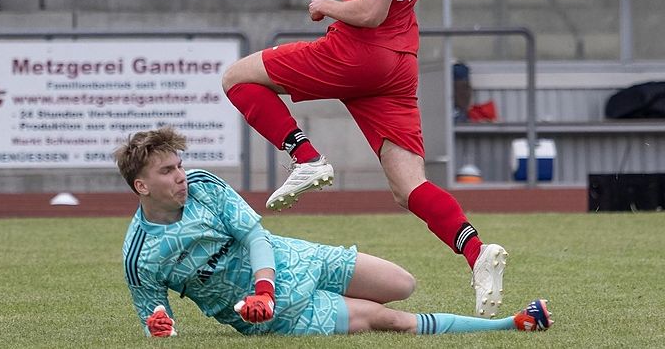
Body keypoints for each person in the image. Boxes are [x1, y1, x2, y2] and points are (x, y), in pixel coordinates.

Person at [221, 0, 509, 319]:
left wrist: (325, 5)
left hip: (357, 52)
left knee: (236, 78)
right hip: (398, 65)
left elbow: (372, 11)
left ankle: (306, 157)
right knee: (408, 187)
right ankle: (477, 251)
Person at [116, 127, 554, 337]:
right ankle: (510, 324)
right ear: (141, 186)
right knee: (389, 321)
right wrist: (160, 323)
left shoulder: (205, 187)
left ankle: (340, 303)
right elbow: (156, 320)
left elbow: (255, 237)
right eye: (168, 171)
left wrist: (264, 285)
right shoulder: (140, 255)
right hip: (276, 313)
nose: (182, 176)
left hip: (290, 261)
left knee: (402, 284)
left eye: (180, 166)